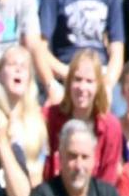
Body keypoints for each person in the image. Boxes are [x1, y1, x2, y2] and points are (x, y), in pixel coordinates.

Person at [41, 47, 119, 184]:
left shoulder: (111, 127)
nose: (82, 88)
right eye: (77, 79)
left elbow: (108, 182)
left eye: (89, 81)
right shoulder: (49, 117)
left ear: (98, 87)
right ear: (69, 83)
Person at [36, 0, 122, 100]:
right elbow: (40, 49)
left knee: (118, 109)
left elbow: (118, 50)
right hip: (65, 72)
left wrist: (108, 84)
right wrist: (68, 74)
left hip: (100, 73)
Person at [0, 41, 46, 183]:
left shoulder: (37, 124)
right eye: (12, 65)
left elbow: (37, 177)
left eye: (24, 67)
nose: (18, 69)